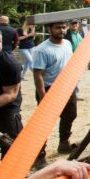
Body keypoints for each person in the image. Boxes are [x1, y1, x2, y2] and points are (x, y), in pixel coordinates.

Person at [33, 21, 78, 157]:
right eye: (58, 28)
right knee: (45, 122)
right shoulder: (42, 50)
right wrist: (43, 96)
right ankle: (39, 154)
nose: (62, 30)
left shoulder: (68, 44)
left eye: (64, 27)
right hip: (49, 88)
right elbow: (38, 74)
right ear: (49, 29)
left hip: (66, 86)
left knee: (70, 114)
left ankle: (64, 143)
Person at [0, 27, 23, 159]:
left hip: (5, 108)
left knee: (12, 144)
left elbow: (10, 95)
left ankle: (39, 159)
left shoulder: (10, 64)